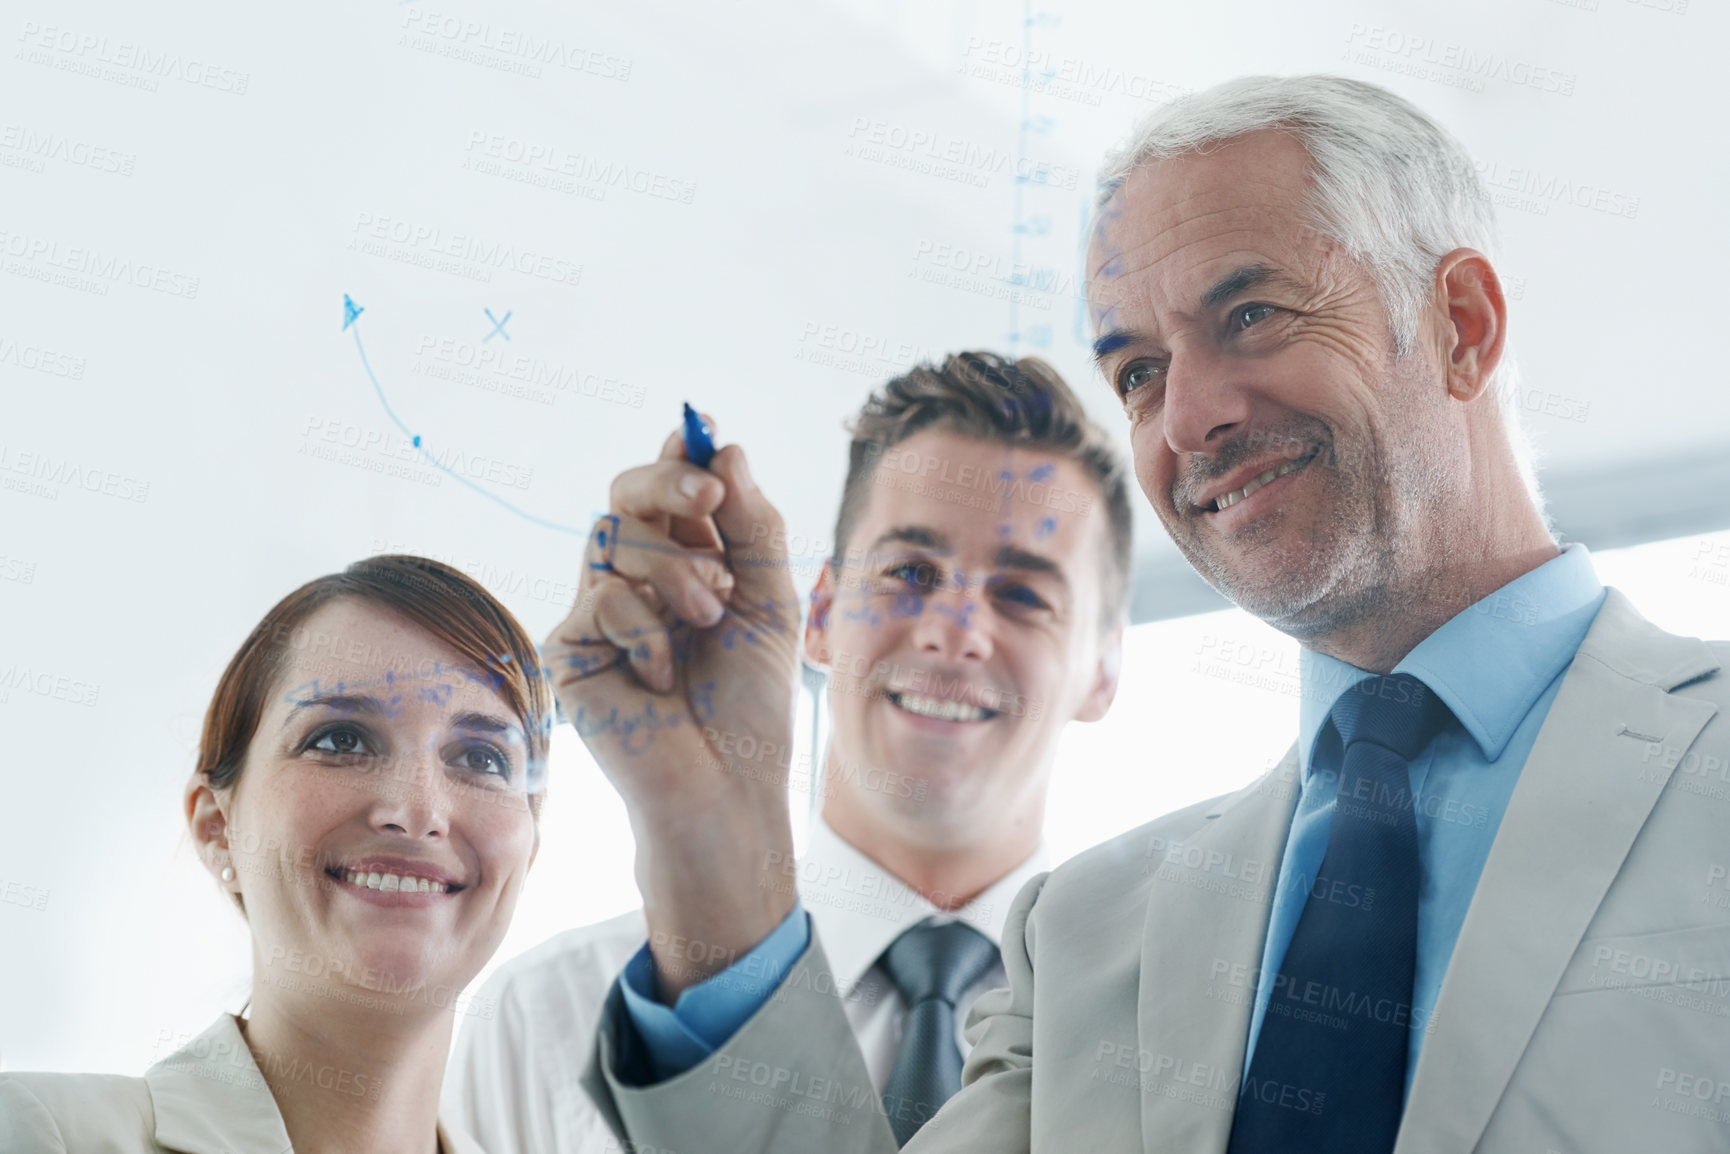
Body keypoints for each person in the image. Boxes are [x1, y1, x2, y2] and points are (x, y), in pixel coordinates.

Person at [563, 75, 1730, 1153]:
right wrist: (710, 835)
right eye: (1135, 372)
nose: (1188, 417)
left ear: (1461, 325)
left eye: (1253, 314)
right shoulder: (1086, 933)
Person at [445, 352, 1133, 1152]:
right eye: (910, 570)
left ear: (1105, 668)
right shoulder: (545, 1018)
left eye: (1022, 594)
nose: (954, 630)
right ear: (820, 614)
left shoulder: (1165, 1040)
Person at [0, 556, 551, 1154]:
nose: (416, 812)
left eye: (481, 758)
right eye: (341, 739)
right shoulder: (40, 1132)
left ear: (529, 848)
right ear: (217, 827)